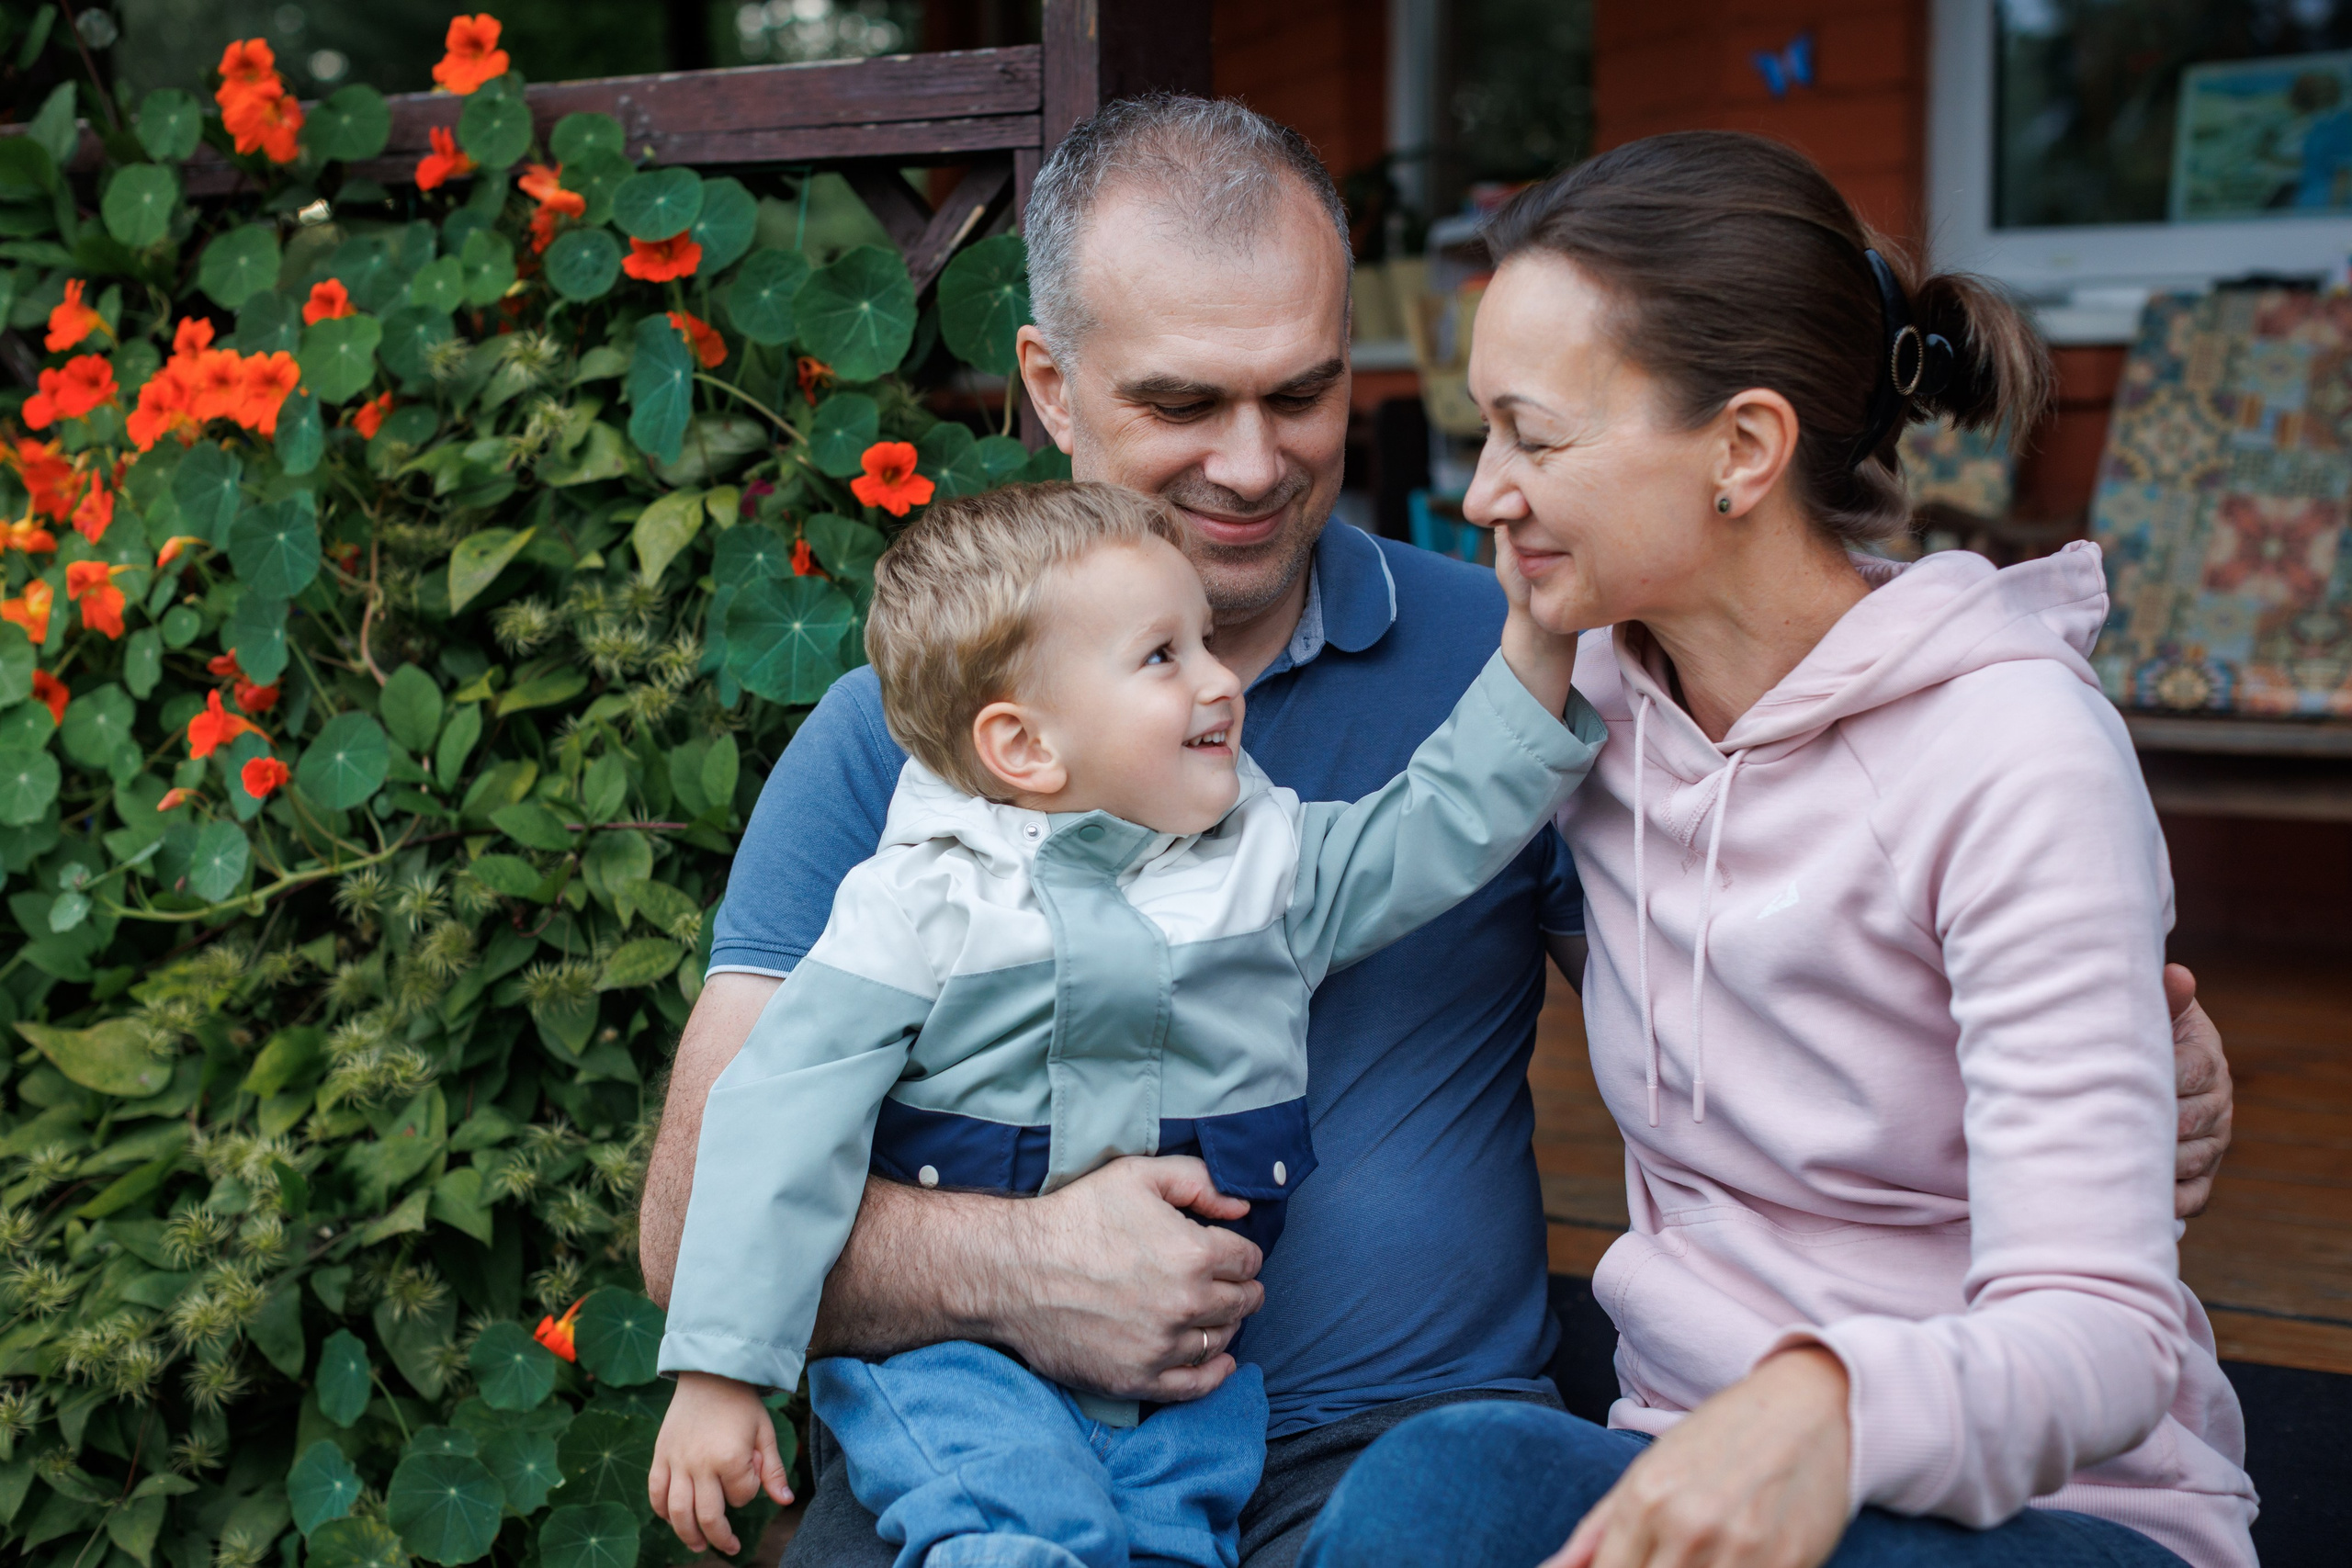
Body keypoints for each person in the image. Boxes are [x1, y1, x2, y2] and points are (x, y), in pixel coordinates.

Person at [637, 96, 2238, 1568]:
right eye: (1185, 401)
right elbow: (700, 1203)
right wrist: (1014, 1271)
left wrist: (2085, 1069)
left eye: (1309, 392)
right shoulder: (925, 727)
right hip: (1010, 1432)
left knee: (1442, 1494)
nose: (1258, 462)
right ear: (1051, 387)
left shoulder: (1538, 671)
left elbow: (1833, 981)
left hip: (1420, 1460)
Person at [1295, 133, 2257, 1568]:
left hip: (2041, 1512)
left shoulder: (2013, 750)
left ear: (1743, 449)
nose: (1487, 490)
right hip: (1682, 1466)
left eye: (1534, 435)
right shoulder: (1579, 704)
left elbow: (2105, 1337)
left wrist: (1825, 1406)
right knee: (1432, 1484)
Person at [648, 481, 1600, 1568]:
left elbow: (1432, 827)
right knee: (1007, 1523)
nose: (1218, 679)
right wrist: (723, 1375)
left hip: (1191, 1379)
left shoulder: (1266, 861)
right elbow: (774, 1121)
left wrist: (1536, 646)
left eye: (1205, 640)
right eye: (1164, 657)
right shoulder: (916, 906)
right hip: (957, 1367)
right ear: (1024, 746)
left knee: (1167, 1536)